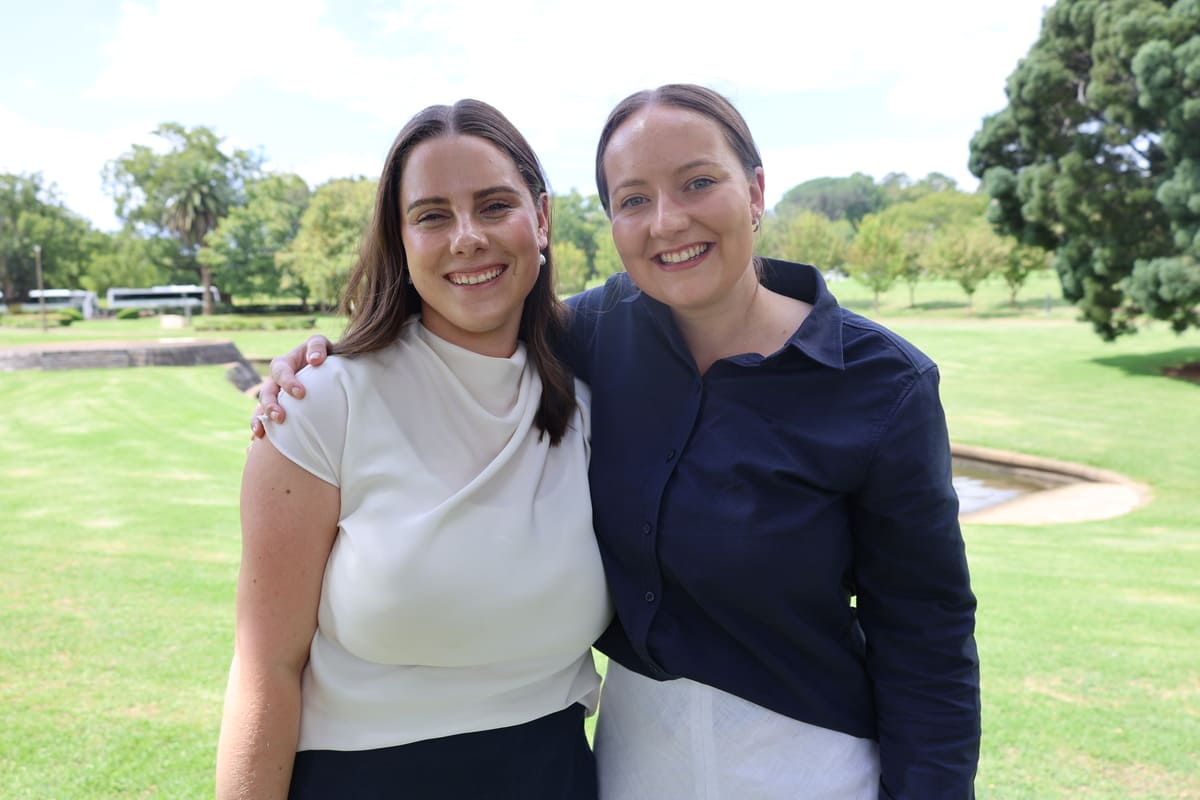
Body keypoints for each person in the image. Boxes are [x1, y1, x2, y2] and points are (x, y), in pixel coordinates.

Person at [255, 84, 981, 799]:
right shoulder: (593, 336)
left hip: (811, 763)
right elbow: (473, 314)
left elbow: (927, 636)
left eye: (698, 182)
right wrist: (323, 362)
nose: (668, 221)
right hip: (630, 762)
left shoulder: (883, 385)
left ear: (756, 191)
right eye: (633, 199)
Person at [217, 99, 611, 800]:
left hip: (552, 776)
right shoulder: (321, 402)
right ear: (399, 239)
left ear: (542, 219)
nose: (467, 237)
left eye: (495, 205)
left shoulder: (589, 394)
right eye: (432, 215)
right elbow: (264, 669)